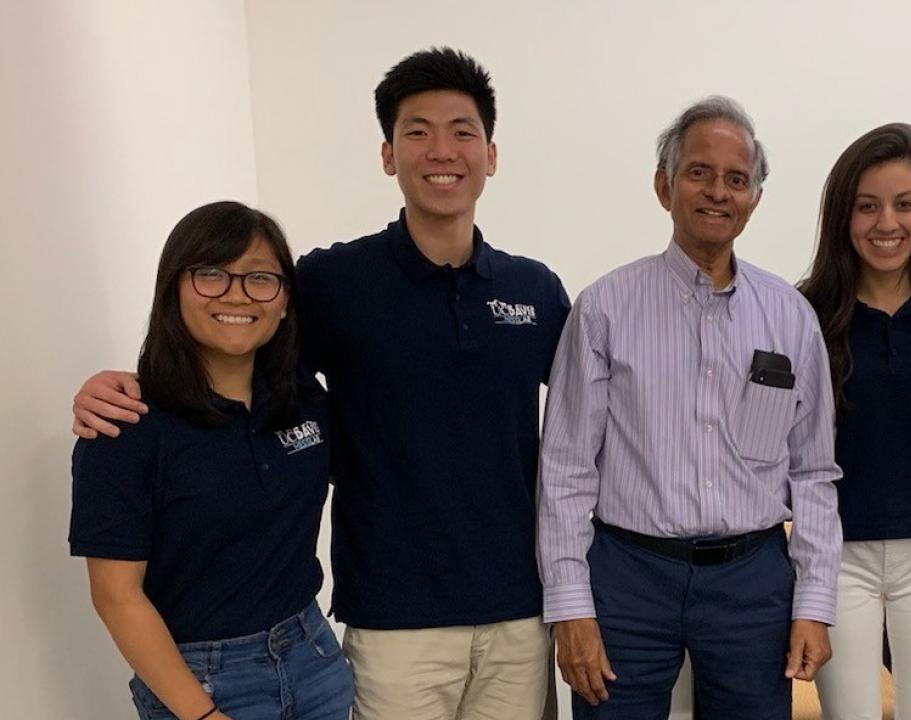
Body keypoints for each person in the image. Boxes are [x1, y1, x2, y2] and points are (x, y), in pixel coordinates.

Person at [71, 48, 570, 720]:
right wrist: (125, 384)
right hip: (393, 617)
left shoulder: (534, 290)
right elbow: (237, 333)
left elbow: (589, 427)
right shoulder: (335, 283)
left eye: (462, 131)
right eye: (416, 131)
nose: (440, 150)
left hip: (518, 610)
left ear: (491, 154)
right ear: (389, 154)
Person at [537, 96, 842, 720]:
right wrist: (571, 606)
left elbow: (812, 473)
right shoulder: (604, 309)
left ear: (755, 198)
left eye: (737, 179)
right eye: (699, 172)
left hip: (751, 581)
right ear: (664, 185)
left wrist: (814, 601)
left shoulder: (790, 317)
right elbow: (567, 468)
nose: (718, 192)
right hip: (626, 577)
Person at [70, 201, 353, 720]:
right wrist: (201, 715)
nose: (237, 295)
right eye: (211, 274)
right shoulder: (125, 426)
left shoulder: (303, 400)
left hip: (314, 657)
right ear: (173, 287)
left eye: (260, 278)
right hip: (201, 681)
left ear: (286, 300)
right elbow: (116, 596)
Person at [798, 124, 911, 720]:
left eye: (905, 205)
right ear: (842, 216)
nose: (887, 224)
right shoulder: (806, 311)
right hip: (835, 555)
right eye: (867, 206)